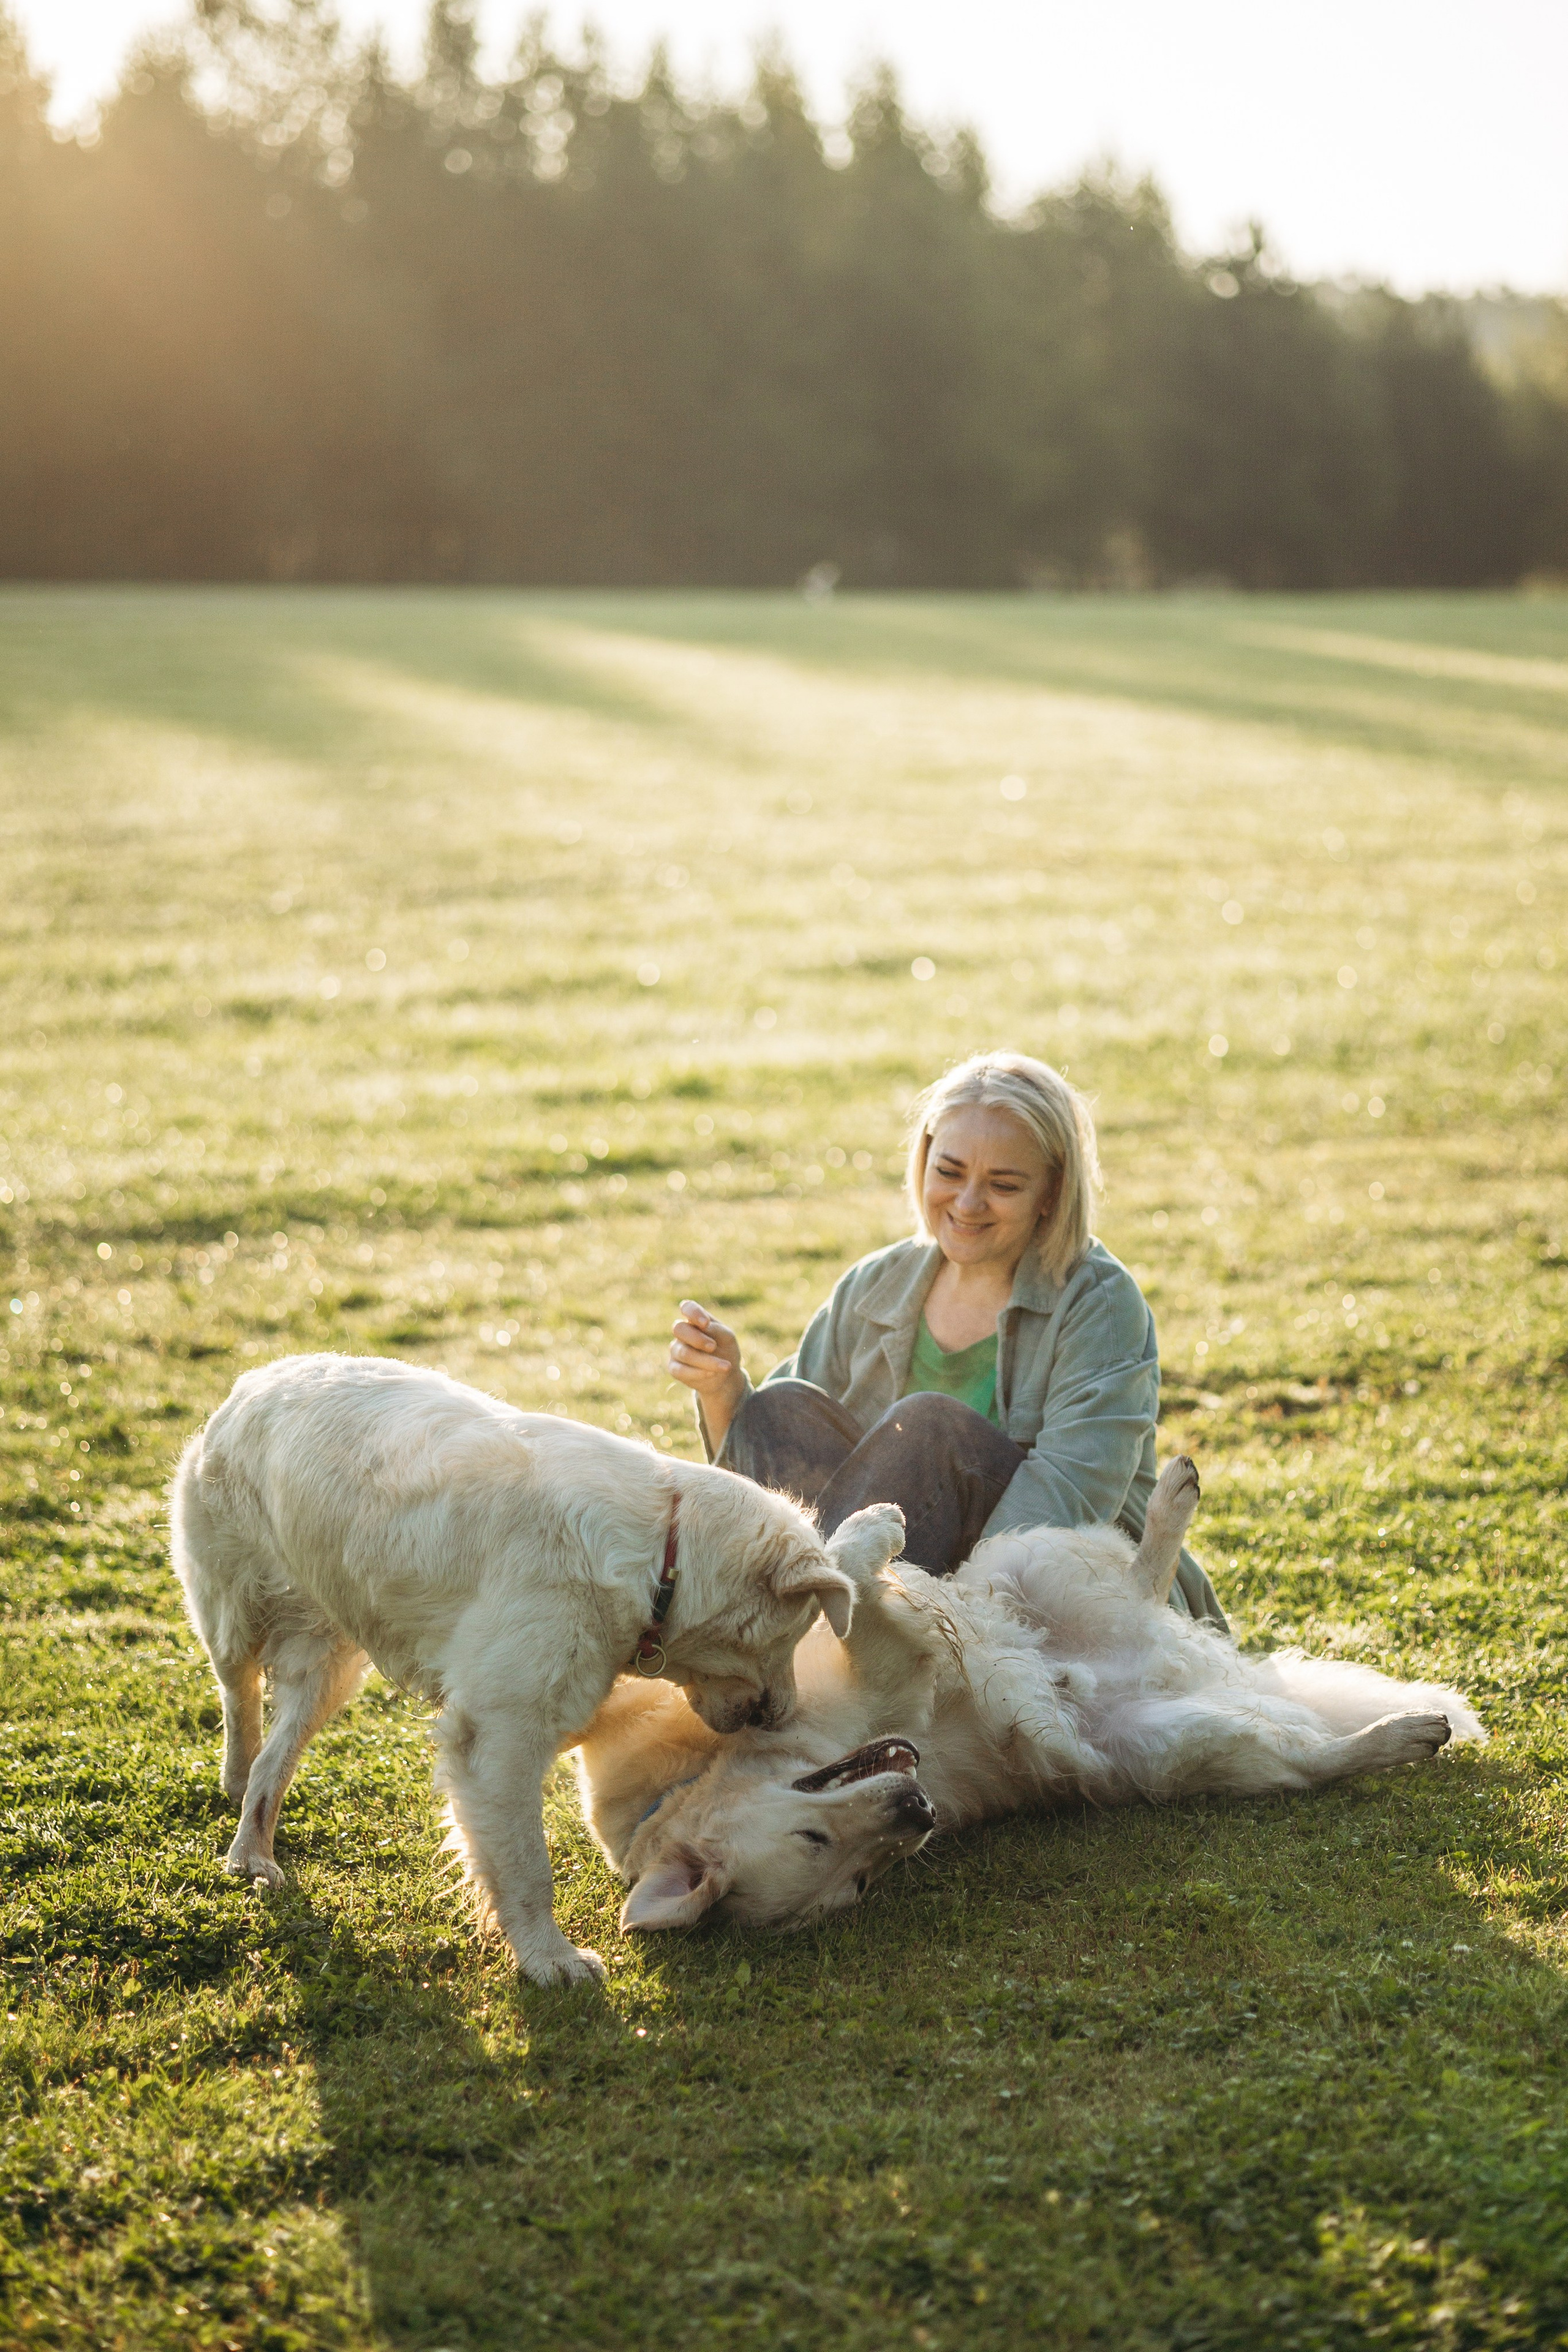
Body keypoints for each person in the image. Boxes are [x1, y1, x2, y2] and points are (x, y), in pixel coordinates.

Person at [668, 1050, 1226, 1627]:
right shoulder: (875, 1283)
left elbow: (1071, 1499)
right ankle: (775, 1624)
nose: (967, 1203)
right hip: (886, 1578)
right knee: (777, 1408)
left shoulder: (1100, 1304)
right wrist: (723, 1393)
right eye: (950, 1172)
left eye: (1003, 1184)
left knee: (931, 1429)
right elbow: (771, 1464)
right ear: (925, 1158)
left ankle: (800, 1628)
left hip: (1034, 1593)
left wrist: (956, 1620)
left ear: (1052, 1192)